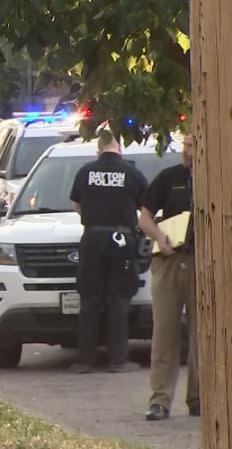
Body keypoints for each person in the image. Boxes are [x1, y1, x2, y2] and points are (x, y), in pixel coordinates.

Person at [69, 128, 148, 373]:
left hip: (92, 237)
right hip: (121, 239)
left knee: (90, 298)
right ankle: (118, 360)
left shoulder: (85, 172)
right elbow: (145, 207)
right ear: (119, 148)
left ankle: (84, 360)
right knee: (119, 298)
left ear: (98, 149)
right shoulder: (131, 172)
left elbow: (76, 205)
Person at [138, 133, 199, 420]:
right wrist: (159, 237)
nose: (189, 151)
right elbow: (145, 216)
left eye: (195, 145)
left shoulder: (219, 177)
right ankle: (160, 401)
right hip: (169, 260)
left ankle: (199, 398)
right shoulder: (168, 177)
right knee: (165, 333)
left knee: (203, 335)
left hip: (203, 263)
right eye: (186, 145)